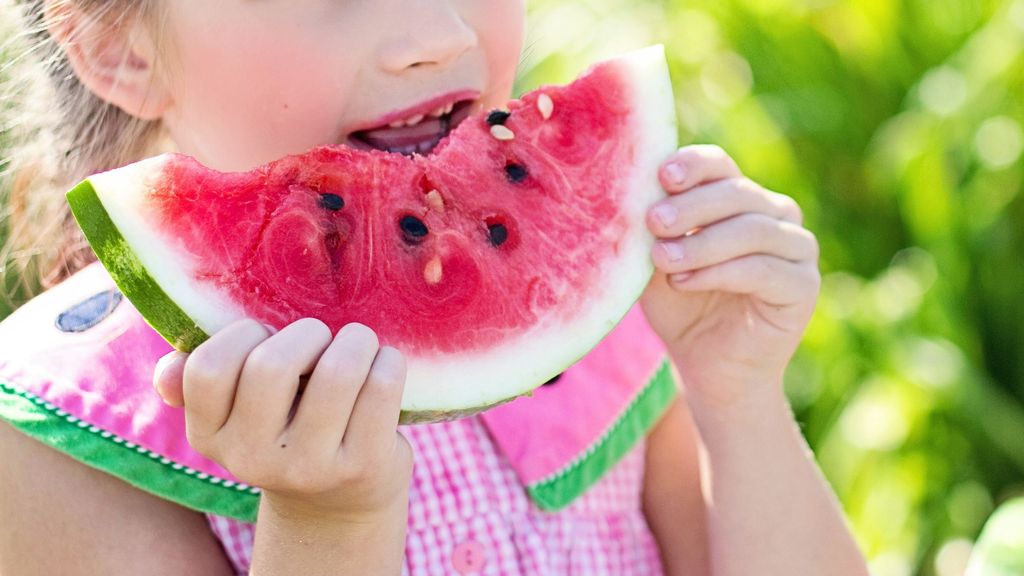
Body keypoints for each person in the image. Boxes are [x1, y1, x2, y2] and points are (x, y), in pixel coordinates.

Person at [0, 1, 870, 574]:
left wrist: (738, 397)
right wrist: (327, 527)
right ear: (115, 46)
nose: (438, 35)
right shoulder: (58, 442)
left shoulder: (595, 313)